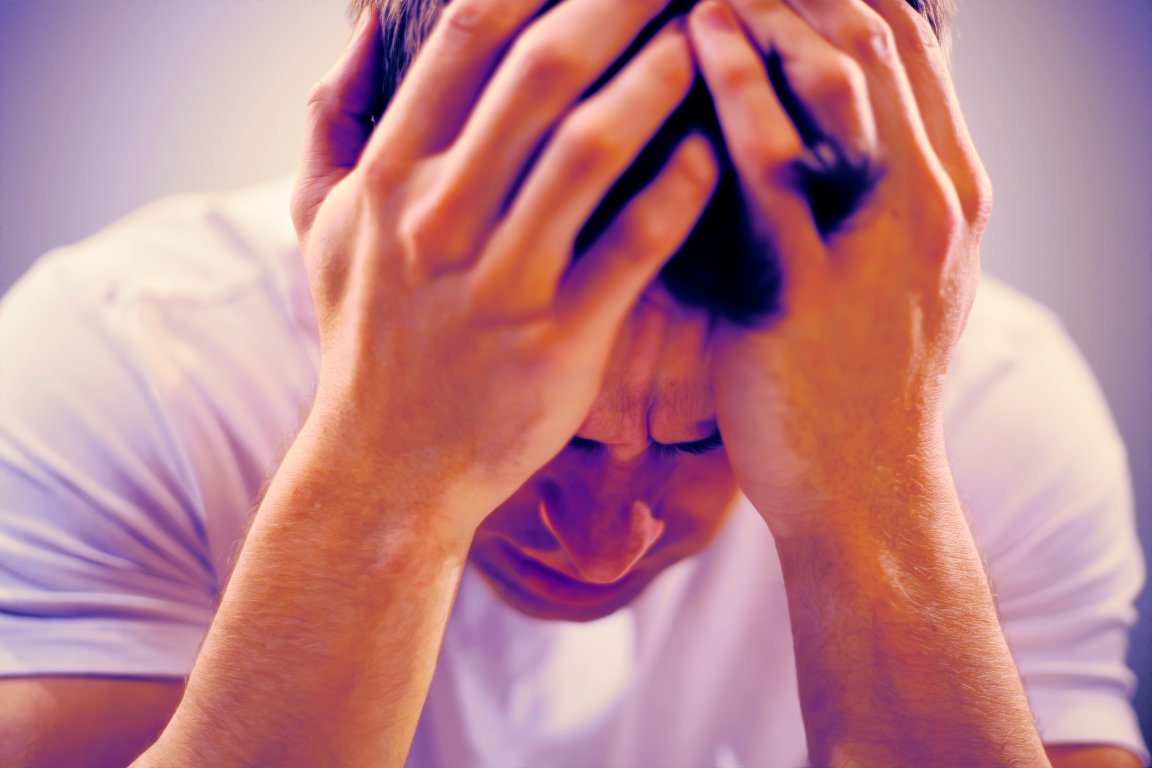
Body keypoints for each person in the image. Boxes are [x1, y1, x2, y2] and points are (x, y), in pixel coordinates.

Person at [0, 0, 1145, 765]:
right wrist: (379, 465)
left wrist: (880, 494)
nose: (600, 544)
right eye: (537, 435)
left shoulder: (994, 415)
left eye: (713, 442)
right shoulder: (132, 358)